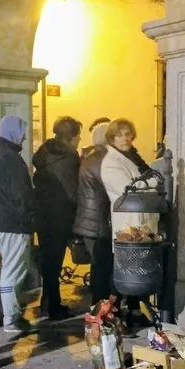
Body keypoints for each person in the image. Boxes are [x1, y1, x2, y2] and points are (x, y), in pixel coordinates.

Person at [0, 115, 37, 334]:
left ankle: (5, 314)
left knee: (6, 268)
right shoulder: (10, 158)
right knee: (13, 271)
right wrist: (30, 216)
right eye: (23, 131)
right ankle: (11, 318)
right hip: (13, 224)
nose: (25, 136)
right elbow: (21, 195)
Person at [32, 116, 82, 321]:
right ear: (71, 136)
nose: (79, 139)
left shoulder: (46, 152)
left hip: (43, 215)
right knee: (54, 263)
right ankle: (52, 305)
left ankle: (48, 302)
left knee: (48, 263)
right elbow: (72, 191)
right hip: (59, 216)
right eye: (78, 135)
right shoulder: (68, 158)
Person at [73, 121, 112, 304]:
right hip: (98, 221)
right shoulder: (103, 159)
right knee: (102, 268)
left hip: (90, 220)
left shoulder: (91, 156)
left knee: (99, 267)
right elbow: (111, 188)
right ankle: (100, 310)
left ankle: (99, 308)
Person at [101, 118, 158, 239]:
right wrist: (154, 183)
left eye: (127, 134)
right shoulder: (110, 162)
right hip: (129, 224)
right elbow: (128, 189)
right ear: (112, 139)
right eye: (119, 135)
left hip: (141, 222)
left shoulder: (131, 156)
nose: (124, 139)